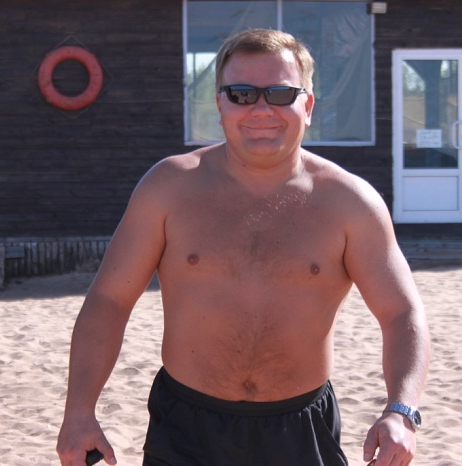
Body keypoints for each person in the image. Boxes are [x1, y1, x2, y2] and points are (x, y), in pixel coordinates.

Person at [56, 28, 431, 466]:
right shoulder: (169, 188)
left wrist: (402, 410)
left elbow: (401, 312)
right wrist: (79, 411)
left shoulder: (350, 202)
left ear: (308, 106)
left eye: (281, 93)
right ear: (220, 104)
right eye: (241, 94)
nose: (261, 109)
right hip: (186, 430)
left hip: (300, 430)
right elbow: (109, 300)